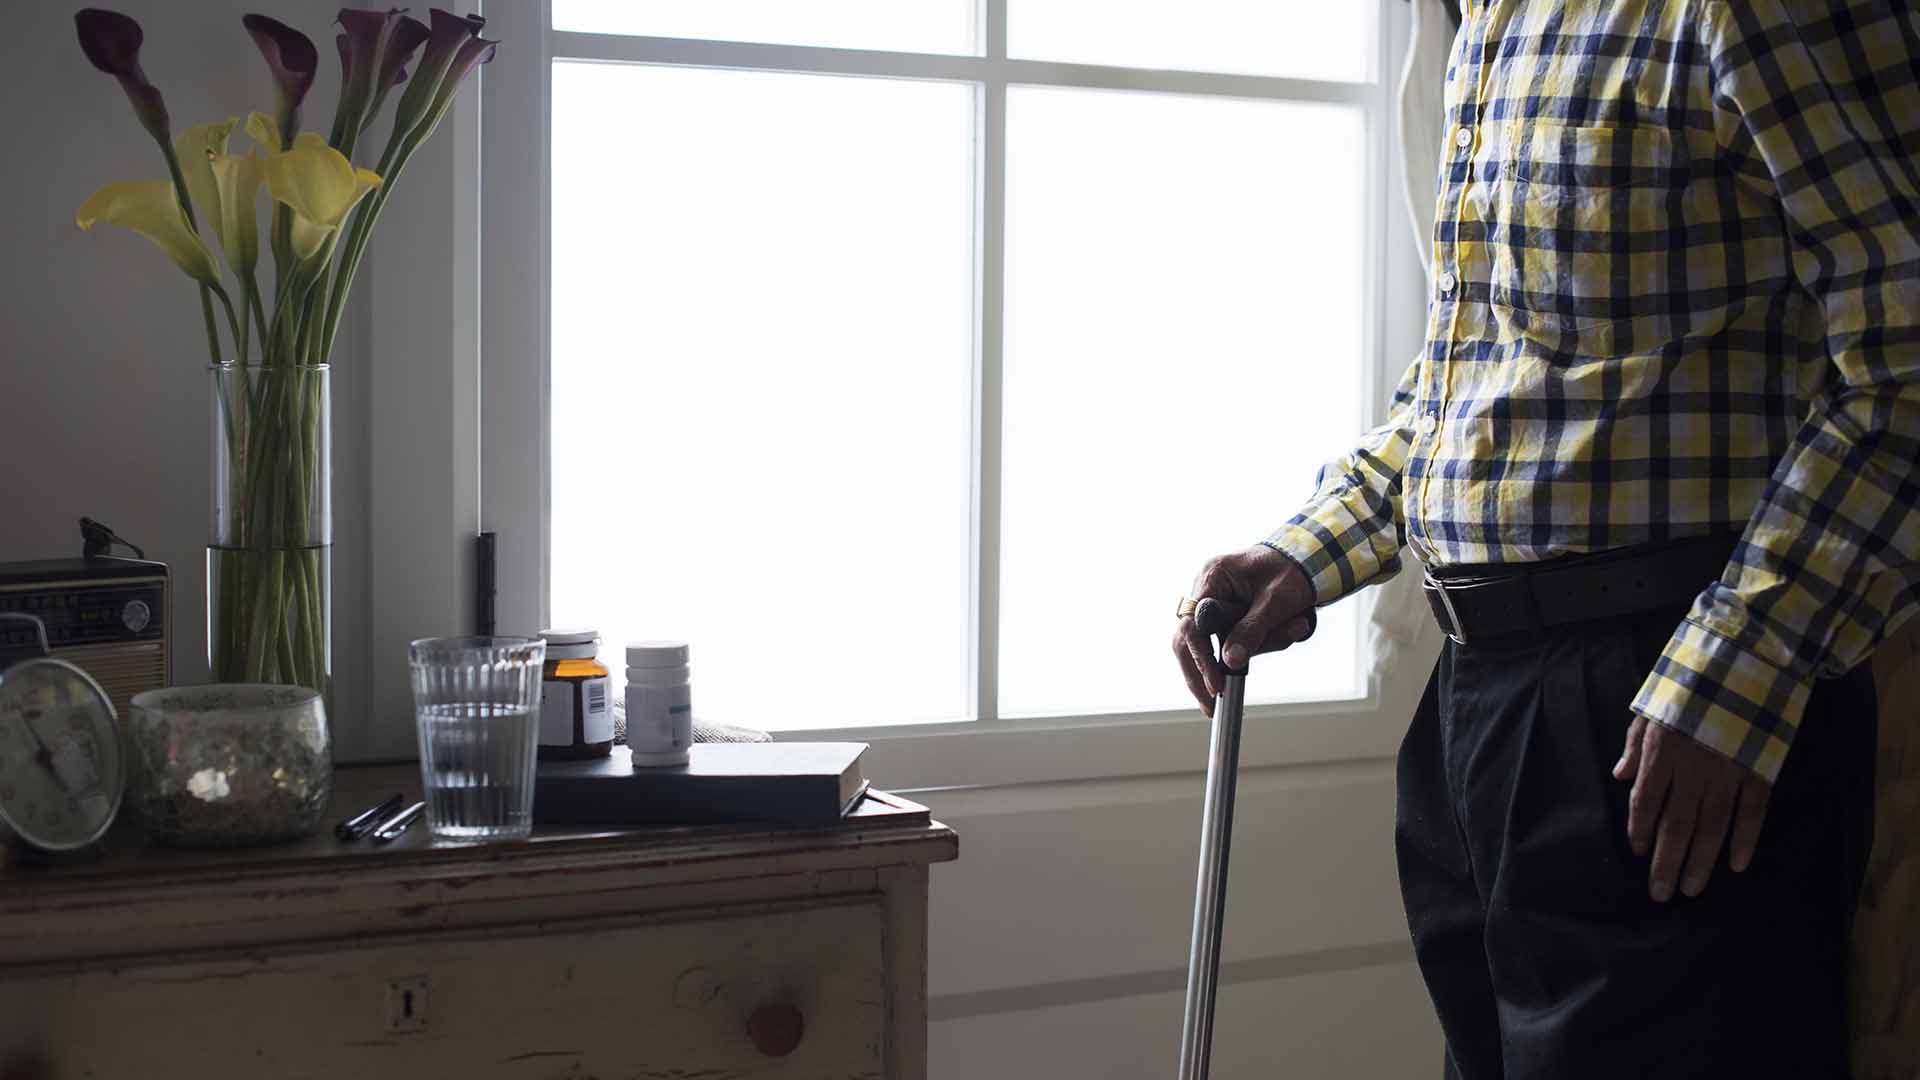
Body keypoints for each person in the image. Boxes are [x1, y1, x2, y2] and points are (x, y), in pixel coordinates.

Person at [1173, 2, 1916, 1077]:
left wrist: (1742, 668)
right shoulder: (1491, 18)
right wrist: (1310, 549)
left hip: (1678, 699)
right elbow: (1482, 388)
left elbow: (1904, 368)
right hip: (1479, 707)